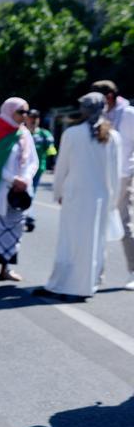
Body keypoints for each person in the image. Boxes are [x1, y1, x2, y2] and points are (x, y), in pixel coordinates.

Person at [38, 93, 126, 300]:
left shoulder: (72, 133)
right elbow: (116, 173)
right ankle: (87, 284)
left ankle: (62, 283)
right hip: (101, 198)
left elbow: (61, 168)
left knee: (70, 242)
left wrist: (58, 191)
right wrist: (113, 201)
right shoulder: (113, 137)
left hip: (75, 196)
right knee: (94, 244)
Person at [0, 98, 38, 282]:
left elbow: (32, 161)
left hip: (19, 191)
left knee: (14, 229)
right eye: (21, 112)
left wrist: (26, 178)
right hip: (0, 190)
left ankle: (6, 268)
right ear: (9, 111)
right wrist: (13, 179)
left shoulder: (24, 134)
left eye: (26, 112)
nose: (25, 116)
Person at [91, 80, 134, 289]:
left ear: (108, 97)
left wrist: (130, 170)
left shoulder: (129, 114)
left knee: (123, 223)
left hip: (123, 175)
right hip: (99, 176)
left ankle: (132, 271)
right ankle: (96, 273)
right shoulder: (98, 116)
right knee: (98, 224)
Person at [22, 109, 55, 233]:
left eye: (36, 117)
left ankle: (28, 216)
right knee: (25, 191)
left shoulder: (44, 134)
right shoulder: (22, 132)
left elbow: (51, 151)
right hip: (23, 168)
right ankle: (26, 215)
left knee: (31, 192)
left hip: (38, 168)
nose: (34, 120)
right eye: (31, 117)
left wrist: (53, 162)